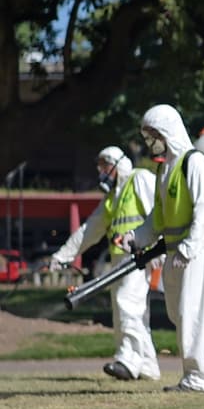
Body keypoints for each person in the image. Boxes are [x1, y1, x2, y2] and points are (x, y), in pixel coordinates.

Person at [120, 104, 204, 394]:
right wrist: (135, 238)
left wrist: (189, 248)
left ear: (167, 132)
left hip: (201, 248)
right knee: (179, 314)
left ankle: (197, 378)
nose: (150, 141)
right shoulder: (165, 168)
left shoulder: (194, 163)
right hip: (177, 250)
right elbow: (157, 217)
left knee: (190, 313)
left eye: (153, 134)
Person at [48, 146, 161, 381]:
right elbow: (90, 230)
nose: (101, 172)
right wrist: (63, 256)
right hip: (122, 261)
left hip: (141, 256)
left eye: (104, 167)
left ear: (117, 165)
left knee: (126, 303)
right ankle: (148, 366)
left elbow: (158, 211)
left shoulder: (139, 179)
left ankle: (128, 360)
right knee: (132, 311)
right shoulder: (113, 198)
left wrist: (160, 246)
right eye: (99, 167)